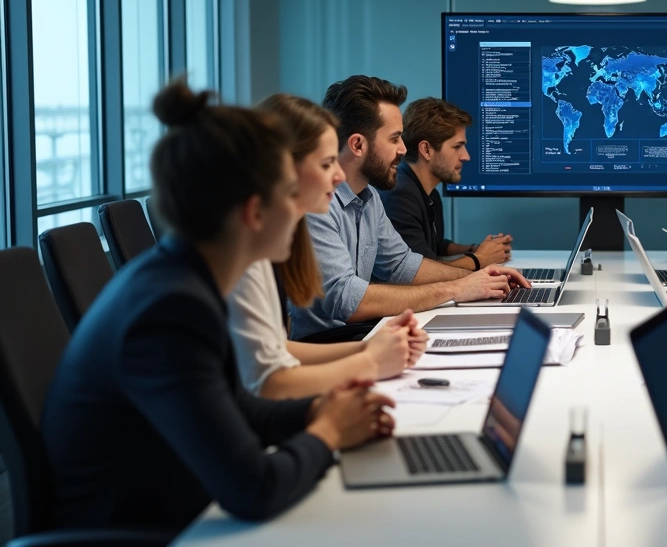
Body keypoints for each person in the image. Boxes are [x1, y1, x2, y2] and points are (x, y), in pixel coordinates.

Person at [40, 80, 394, 534]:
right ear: (254, 213)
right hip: (144, 530)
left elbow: (234, 408)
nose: (303, 214)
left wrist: (315, 413)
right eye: (291, 196)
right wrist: (328, 432)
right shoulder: (171, 311)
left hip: (171, 503)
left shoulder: (181, 281)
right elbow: (254, 489)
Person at [291, 76, 529, 339]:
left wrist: (476, 276)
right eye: (394, 139)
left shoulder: (369, 197)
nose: (404, 149)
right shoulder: (317, 204)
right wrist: (457, 288)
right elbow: (346, 300)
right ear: (358, 144)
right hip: (324, 343)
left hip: (361, 333)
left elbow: (402, 265)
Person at [228, 94, 429, 399]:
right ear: (283, 172)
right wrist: (369, 362)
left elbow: (274, 348)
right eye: (326, 163)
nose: (338, 176)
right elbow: (267, 383)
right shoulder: (237, 265)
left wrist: (368, 348)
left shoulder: (255, 256)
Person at [380, 97, 512, 270]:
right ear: (426, 150)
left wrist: (474, 249)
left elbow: (435, 245)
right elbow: (422, 272)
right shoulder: (399, 196)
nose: (466, 156)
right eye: (457, 146)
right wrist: (479, 259)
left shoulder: (429, 193)